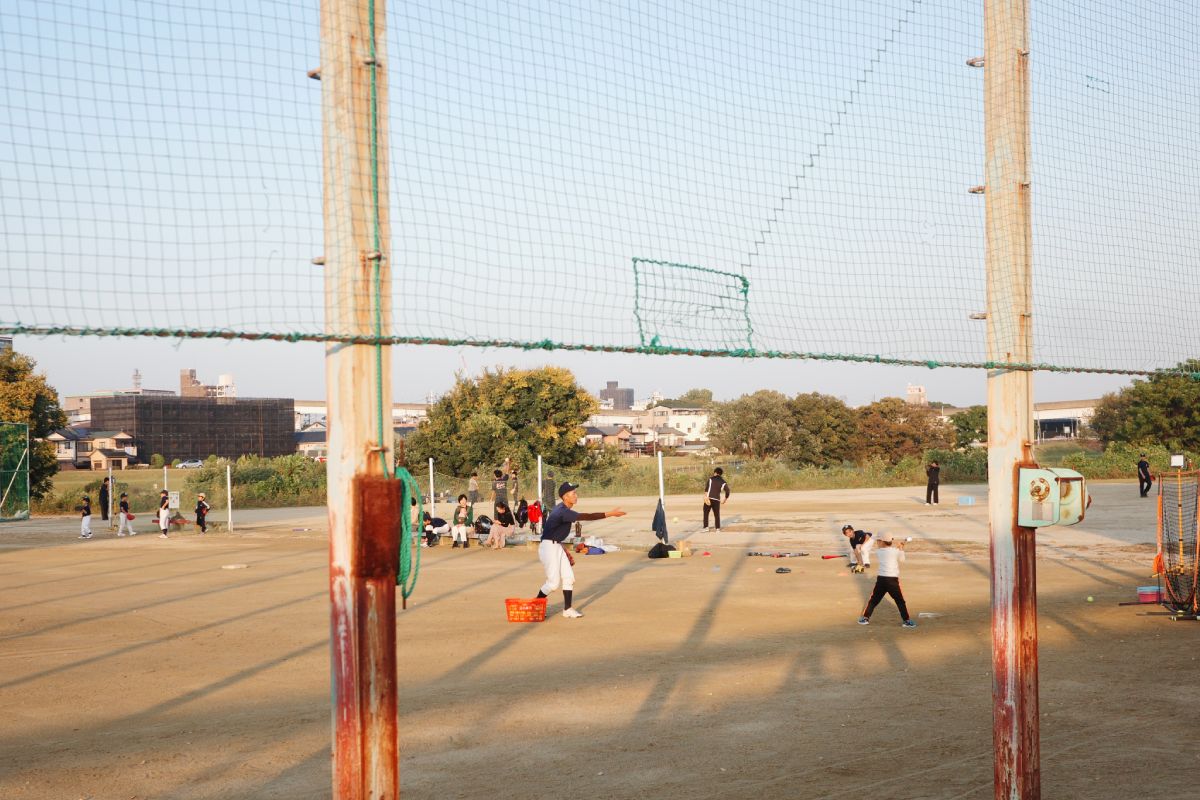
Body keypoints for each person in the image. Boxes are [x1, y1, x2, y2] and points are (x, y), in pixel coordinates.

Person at [535, 482, 625, 618]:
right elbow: (587, 516)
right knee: (553, 584)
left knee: (569, 578)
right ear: (565, 497)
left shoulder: (563, 509)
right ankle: (535, 607)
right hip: (549, 547)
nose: (576, 495)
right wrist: (610, 514)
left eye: (575, 492)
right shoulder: (562, 511)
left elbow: (554, 533)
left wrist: (561, 548)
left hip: (555, 545)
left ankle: (567, 609)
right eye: (573, 493)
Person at [858, 534, 915, 628]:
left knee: (874, 600)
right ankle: (906, 621)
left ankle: (865, 618)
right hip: (892, 580)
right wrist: (901, 548)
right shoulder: (895, 551)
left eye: (879, 541)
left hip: (881, 579)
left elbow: (889, 550)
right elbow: (902, 559)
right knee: (900, 601)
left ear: (883, 542)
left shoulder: (879, 551)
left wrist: (898, 548)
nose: (877, 543)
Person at [702, 467, 730, 531]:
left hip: (709, 498)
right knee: (717, 514)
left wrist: (705, 497)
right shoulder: (723, 482)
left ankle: (706, 527)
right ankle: (717, 528)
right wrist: (725, 499)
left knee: (706, 513)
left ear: (715, 473)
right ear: (721, 474)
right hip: (717, 500)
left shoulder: (710, 479)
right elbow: (728, 491)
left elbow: (706, 489)